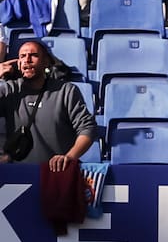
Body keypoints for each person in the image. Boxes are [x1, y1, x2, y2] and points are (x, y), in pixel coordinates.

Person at [0, 40, 96, 169]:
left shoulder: (66, 91)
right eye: (22, 56)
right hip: (18, 174)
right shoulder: (8, 90)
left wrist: (70, 157)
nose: (27, 59)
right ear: (18, 63)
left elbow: (87, 128)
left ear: (46, 62)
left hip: (57, 172)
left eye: (34, 55)